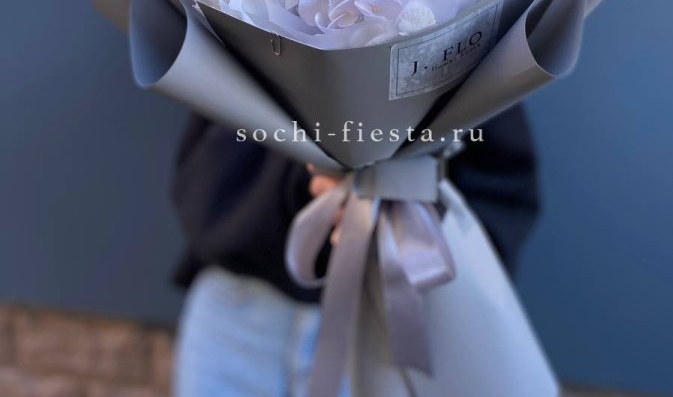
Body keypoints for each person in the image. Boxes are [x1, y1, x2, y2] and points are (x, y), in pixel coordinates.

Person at [172, 106, 540, 396]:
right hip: (239, 307)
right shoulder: (245, 29)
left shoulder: (459, 36)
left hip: (388, 314)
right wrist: (311, 183)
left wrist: (409, 211)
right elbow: (206, 174)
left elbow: (500, 187)